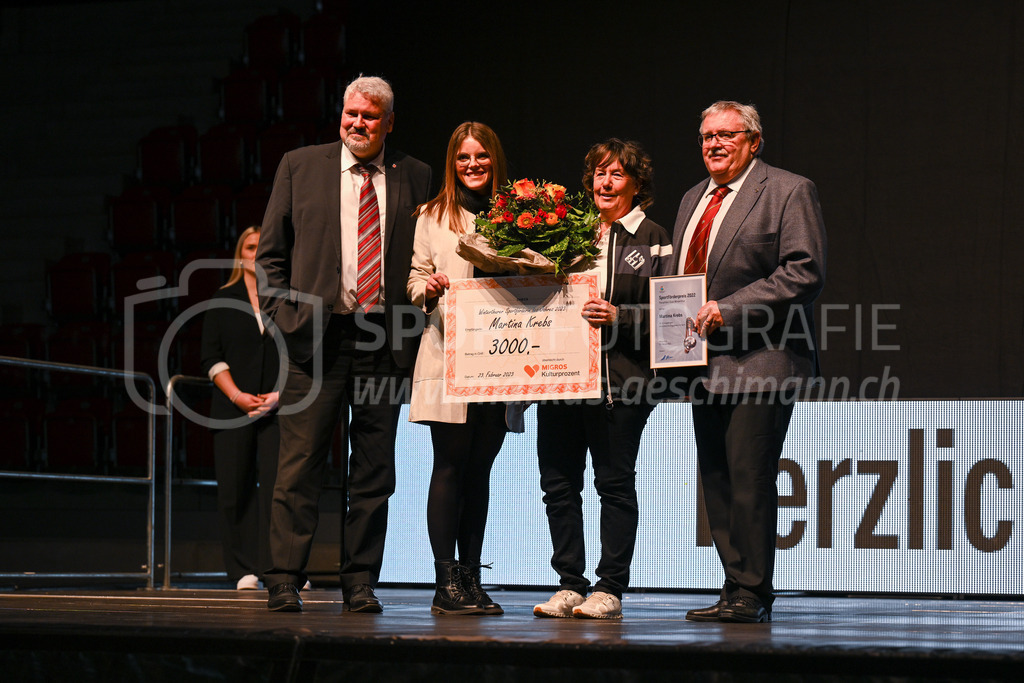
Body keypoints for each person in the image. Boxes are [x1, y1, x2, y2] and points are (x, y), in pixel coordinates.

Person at [256, 75, 432, 613]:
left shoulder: (416, 175)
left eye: (370, 116)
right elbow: (270, 256)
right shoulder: (300, 165)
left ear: (389, 122)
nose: (358, 123)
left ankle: (360, 581)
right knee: (301, 463)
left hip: (384, 341)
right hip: (315, 338)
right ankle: (285, 578)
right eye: (351, 113)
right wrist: (283, 317)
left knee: (374, 470)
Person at [668, 101, 826, 623]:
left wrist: (729, 308)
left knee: (748, 474)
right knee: (715, 479)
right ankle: (734, 584)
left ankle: (753, 592)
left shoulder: (787, 189)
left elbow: (804, 272)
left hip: (762, 359)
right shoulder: (694, 198)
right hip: (700, 364)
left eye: (726, 135)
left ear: (754, 141)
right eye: (705, 136)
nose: (713, 144)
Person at [532, 139, 672, 620]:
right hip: (562, 380)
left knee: (613, 485)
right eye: (598, 174)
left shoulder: (654, 236)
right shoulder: (568, 233)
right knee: (558, 484)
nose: (605, 183)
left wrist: (621, 317)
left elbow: (674, 315)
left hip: (621, 384)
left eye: (616, 174)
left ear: (636, 183)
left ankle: (609, 587)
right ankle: (570, 584)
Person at [407, 122, 523, 616]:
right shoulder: (432, 216)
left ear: (494, 159)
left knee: (481, 470)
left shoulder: (520, 214)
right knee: (451, 466)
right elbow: (414, 279)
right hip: (449, 355)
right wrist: (427, 288)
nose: (472, 165)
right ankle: (444, 582)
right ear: (452, 163)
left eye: (481, 156)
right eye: (462, 158)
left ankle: (472, 580)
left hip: (500, 360)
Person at [200, 225, 280, 591]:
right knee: (235, 489)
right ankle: (242, 569)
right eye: (250, 247)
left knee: (280, 489)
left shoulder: (285, 297)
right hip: (232, 408)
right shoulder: (222, 299)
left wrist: (280, 394)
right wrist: (237, 396)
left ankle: (279, 568)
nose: (256, 253)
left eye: (263, 247)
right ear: (240, 254)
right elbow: (211, 358)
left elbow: (301, 352)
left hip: (280, 407)